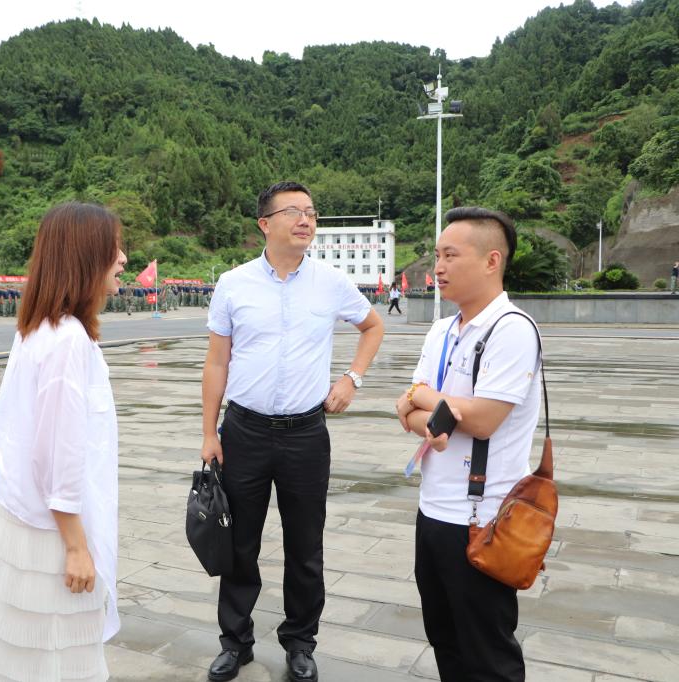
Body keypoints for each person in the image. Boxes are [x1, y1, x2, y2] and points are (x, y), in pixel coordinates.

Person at [201, 181, 385, 682]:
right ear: (265, 223)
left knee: (305, 546)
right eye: (293, 212)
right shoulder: (234, 283)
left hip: (305, 434)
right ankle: (234, 642)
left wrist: (352, 379)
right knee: (239, 543)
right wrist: (209, 433)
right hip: (244, 431)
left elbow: (372, 326)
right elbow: (217, 362)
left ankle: (300, 642)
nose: (306, 220)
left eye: (311, 212)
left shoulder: (331, 281)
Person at [0, 202, 127, 682]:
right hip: (52, 538)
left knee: (20, 659)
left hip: (26, 522)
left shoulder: (39, 329)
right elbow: (57, 453)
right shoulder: (67, 341)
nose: (123, 259)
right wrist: (77, 547)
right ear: (85, 257)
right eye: (113, 249)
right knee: (56, 658)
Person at [395, 207, 542, 682]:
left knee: (487, 654)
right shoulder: (441, 329)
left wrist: (423, 398)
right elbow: (408, 414)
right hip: (433, 511)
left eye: (450, 256)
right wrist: (429, 410)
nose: (437, 267)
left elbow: (482, 420)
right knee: (445, 639)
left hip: (484, 518)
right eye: (437, 255)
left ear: (491, 260)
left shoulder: (512, 329)